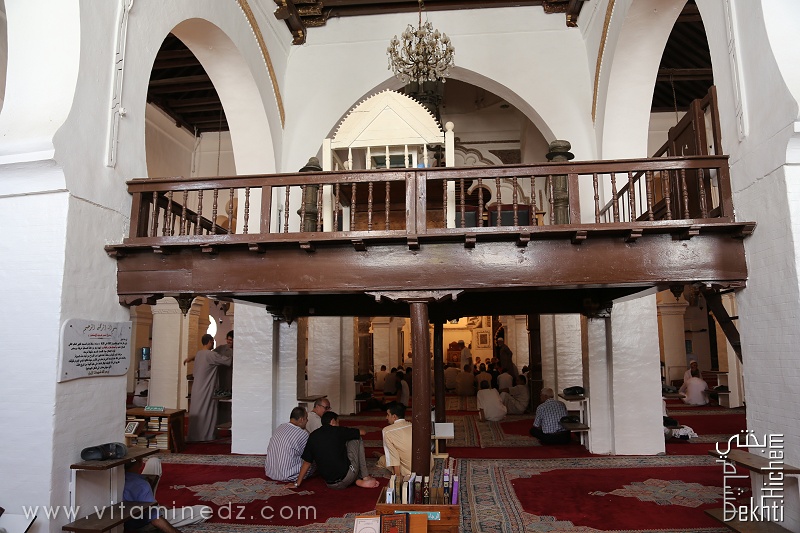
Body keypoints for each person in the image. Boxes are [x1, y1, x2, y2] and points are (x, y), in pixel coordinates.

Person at [295, 411, 380, 490]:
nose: (338, 424)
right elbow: (363, 432)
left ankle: (356, 481)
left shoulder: (313, 436)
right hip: (346, 478)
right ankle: (365, 477)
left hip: (329, 483)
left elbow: (307, 462)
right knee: (356, 438)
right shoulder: (338, 430)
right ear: (332, 421)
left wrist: (297, 483)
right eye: (338, 422)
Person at [124, 457, 209, 532]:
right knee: (204, 511)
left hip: (128, 513)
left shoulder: (114, 478)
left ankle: (154, 504)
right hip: (143, 521)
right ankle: (155, 507)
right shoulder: (141, 484)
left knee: (154, 461)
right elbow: (155, 519)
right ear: (140, 461)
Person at [185, 334, 232, 442]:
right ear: (210, 341)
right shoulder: (210, 355)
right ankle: (205, 436)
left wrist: (190, 358)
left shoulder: (199, 353)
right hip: (206, 388)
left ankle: (195, 435)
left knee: (198, 412)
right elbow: (228, 361)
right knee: (207, 411)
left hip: (197, 388)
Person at [264, 407, 315, 482]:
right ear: (301, 419)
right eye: (306, 418)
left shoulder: (280, 427)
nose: (307, 421)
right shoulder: (302, 434)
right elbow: (308, 456)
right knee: (314, 461)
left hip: (271, 472)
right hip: (289, 475)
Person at [376, 403, 412, 476]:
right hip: (427, 466)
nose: (386, 417)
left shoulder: (387, 431)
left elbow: (394, 457)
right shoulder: (411, 425)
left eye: (388, 415)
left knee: (382, 460)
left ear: (394, 416)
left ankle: (382, 457)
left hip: (409, 470)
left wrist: (398, 479)